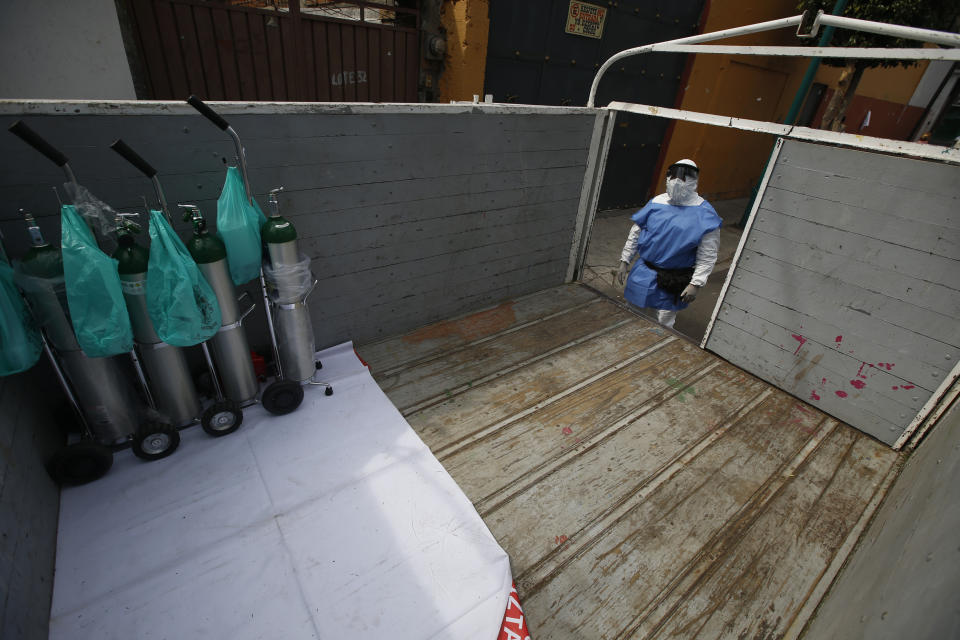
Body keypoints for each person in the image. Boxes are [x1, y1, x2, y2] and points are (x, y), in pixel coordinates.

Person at [616, 159, 721, 329]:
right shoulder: (656, 202)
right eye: (673, 175)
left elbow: (707, 254)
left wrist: (696, 283)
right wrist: (624, 260)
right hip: (644, 272)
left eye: (685, 176)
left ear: (694, 180)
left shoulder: (704, 214)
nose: (677, 181)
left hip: (673, 279)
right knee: (633, 315)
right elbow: (635, 233)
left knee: (662, 323)